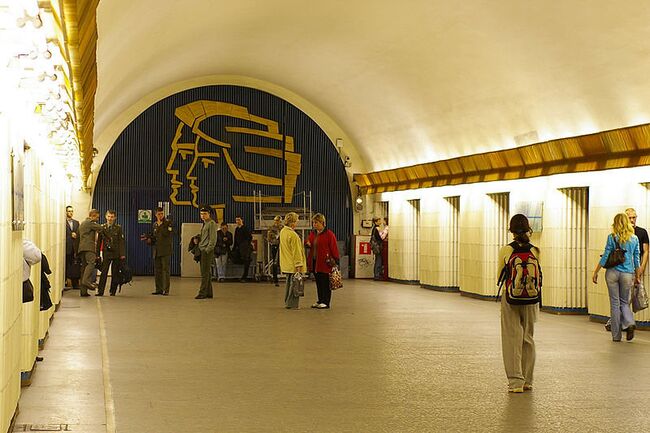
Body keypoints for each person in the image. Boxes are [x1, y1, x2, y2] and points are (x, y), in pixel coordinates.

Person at [497, 214, 540, 393]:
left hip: (511, 298)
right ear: (528, 228)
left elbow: (500, 275)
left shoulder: (506, 250)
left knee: (511, 338)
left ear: (511, 230)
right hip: (531, 299)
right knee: (527, 337)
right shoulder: (535, 250)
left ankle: (515, 382)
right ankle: (528, 380)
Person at [592, 213, 641, 342]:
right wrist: (638, 275)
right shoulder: (634, 238)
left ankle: (616, 336)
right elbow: (636, 258)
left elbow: (606, 255)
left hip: (612, 273)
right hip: (627, 273)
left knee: (615, 303)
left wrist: (596, 271)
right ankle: (629, 322)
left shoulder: (612, 237)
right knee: (624, 302)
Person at [604, 207, 649, 331]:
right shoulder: (620, 236)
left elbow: (645, 252)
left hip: (630, 269)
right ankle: (622, 323)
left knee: (621, 300)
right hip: (626, 271)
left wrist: (640, 269)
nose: (632, 220)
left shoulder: (641, 233)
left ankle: (618, 324)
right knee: (624, 300)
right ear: (625, 218)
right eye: (630, 218)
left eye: (634, 217)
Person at [306, 213, 340, 309]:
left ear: (322, 223)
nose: (314, 224)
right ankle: (320, 300)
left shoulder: (329, 234)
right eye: (313, 223)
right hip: (315, 262)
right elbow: (309, 242)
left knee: (325, 283)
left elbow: (334, 248)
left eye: (316, 222)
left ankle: (326, 302)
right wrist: (307, 243)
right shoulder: (313, 234)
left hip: (326, 263)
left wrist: (336, 261)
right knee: (318, 283)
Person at [96, 210, 126, 296]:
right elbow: (99, 243)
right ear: (106, 216)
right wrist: (97, 255)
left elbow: (121, 242)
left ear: (115, 218)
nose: (110, 218)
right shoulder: (102, 228)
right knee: (104, 272)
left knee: (115, 273)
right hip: (107, 253)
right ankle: (100, 291)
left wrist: (122, 254)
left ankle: (113, 291)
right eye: (109, 216)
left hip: (116, 253)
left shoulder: (118, 228)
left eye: (112, 217)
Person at [279, 212, 306, 309]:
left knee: (288, 284)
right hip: (293, 264)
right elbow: (296, 252)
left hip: (286, 263)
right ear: (293, 222)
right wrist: (299, 265)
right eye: (297, 221)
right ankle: (292, 304)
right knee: (295, 285)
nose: (297, 223)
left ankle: (287, 302)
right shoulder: (293, 235)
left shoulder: (283, 232)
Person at [78, 209, 103, 297]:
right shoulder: (90, 222)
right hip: (89, 247)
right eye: (97, 217)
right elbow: (100, 228)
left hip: (82, 248)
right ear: (93, 215)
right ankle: (86, 281)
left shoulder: (83, 223)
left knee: (84, 268)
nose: (98, 219)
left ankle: (83, 291)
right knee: (91, 263)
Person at [195, 206, 217, 299]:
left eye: (204, 214)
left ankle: (202, 292)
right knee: (206, 272)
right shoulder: (205, 224)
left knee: (204, 273)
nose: (202, 216)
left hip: (206, 251)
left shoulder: (211, 223)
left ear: (209, 214)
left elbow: (213, 239)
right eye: (201, 214)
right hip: (203, 249)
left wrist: (207, 249)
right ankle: (209, 292)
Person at [151, 207, 173, 295]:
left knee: (165, 270)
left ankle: (166, 290)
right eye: (159, 214)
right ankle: (158, 289)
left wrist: (161, 225)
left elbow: (168, 234)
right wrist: (149, 240)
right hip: (156, 250)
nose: (160, 215)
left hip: (165, 250)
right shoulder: (155, 224)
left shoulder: (168, 223)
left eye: (162, 214)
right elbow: (155, 237)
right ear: (155, 214)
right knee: (157, 270)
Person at [64, 205, 80, 290]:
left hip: (75, 247)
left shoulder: (76, 222)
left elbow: (79, 233)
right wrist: (70, 235)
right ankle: (65, 282)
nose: (70, 213)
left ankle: (75, 283)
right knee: (66, 265)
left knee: (75, 265)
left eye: (72, 211)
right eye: (69, 211)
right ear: (66, 212)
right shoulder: (63, 223)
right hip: (67, 247)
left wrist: (76, 235)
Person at [234, 215, 253, 282]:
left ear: (242, 220)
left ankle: (245, 276)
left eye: (239, 220)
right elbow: (235, 239)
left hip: (245, 248)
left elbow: (250, 237)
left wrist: (246, 244)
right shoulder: (237, 229)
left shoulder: (245, 228)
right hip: (239, 248)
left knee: (246, 262)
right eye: (236, 220)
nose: (237, 221)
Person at [266, 215, 283, 286]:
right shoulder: (271, 228)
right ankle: (275, 279)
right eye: (276, 220)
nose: (277, 222)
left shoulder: (283, 228)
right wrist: (274, 238)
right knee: (275, 262)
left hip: (282, 246)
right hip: (275, 245)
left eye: (278, 221)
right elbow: (269, 238)